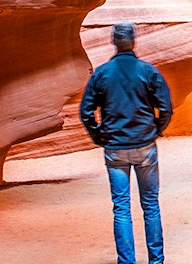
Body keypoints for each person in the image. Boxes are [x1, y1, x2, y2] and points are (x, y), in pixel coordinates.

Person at [80, 21, 173, 264]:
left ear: (114, 42)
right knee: (150, 205)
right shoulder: (148, 71)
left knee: (121, 208)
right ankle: (156, 260)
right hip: (144, 147)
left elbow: (86, 112)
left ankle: (127, 261)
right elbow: (165, 108)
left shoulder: (101, 73)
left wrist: (99, 136)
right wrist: (155, 130)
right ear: (133, 41)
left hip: (115, 149)